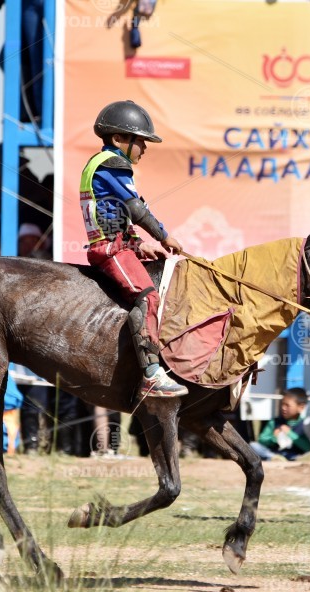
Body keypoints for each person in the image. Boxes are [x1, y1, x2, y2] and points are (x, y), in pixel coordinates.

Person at [80, 100, 186, 398]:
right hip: (110, 250)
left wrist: (139, 245)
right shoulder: (114, 164)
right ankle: (152, 374)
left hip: (119, 244)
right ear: (118, 139)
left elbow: (114, 213)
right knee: (149, 298)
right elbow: (135, 209)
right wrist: (163, 236)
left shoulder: (103, 164)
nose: (145, 147)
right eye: (140, 140)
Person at [249, 388, 310, 462]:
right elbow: (262, 440)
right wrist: (273, 438)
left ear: (301, 407)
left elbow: (308, 447)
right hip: (275, 454)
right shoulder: (275, 422)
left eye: (287, 405)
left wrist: (290, 433)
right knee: (253, 445)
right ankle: (273, 458)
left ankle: (297, 459)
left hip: (295, 455)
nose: (283, 408)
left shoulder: (305, 424)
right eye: (282, 404)